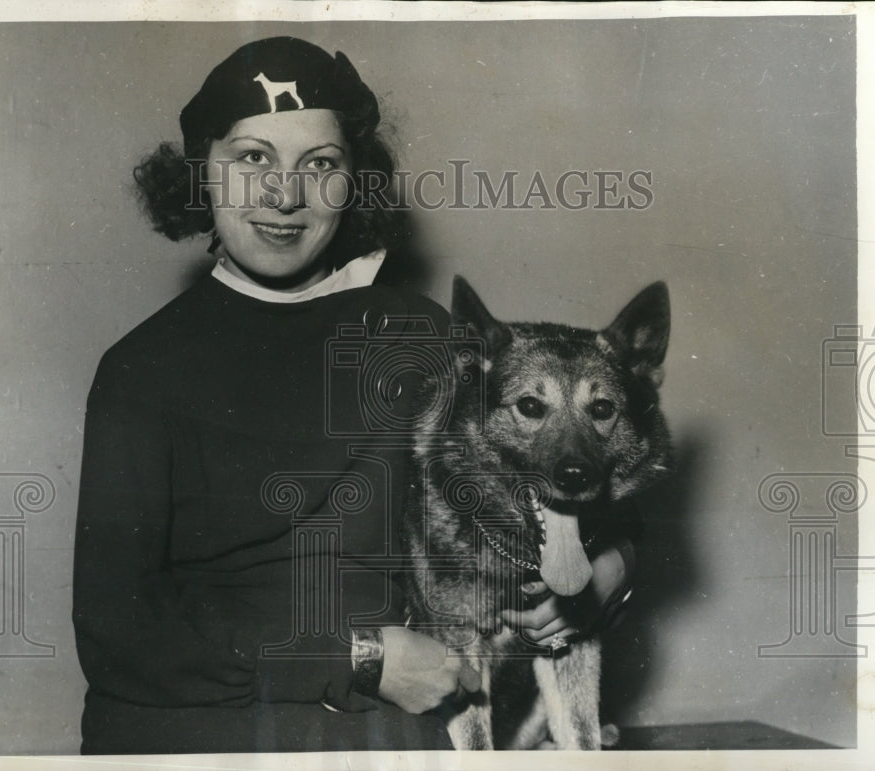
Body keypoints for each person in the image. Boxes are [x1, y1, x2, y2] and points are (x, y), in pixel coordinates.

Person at [72, 35, 635, 754]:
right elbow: (117, 631)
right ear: (199, 172)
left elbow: (589, 501)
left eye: (321, 165)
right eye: (252, 158)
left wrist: (605, 576)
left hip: (397, 739)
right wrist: (356, 657)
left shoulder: (425, 336)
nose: (285, 194)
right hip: (197, 738)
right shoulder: (140, 370)